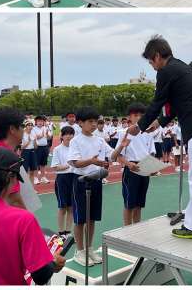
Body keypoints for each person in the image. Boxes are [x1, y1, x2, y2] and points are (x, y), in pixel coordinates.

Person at [127, 36, 192, 240]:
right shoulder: (182, 67)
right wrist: (159, 123)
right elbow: (174, 104)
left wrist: (139, 126)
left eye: (151, 62)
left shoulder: (165, 71)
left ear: (157, 56)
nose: (152, 66)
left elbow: (157, 102)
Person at [0, 147, 66, 285]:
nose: (16, 184)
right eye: (16, 179)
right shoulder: (22, 220)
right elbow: (41, 276)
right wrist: (53, 263)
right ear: (10, 177)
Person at [67, 107, 129, 266]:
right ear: (80, 123)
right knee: (80, 219)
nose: (94, 124)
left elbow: (112, 156)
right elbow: (75, 163)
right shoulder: (75, 141)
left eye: (96, 121)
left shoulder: (99, 140)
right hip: (81, 181)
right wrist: (92, 161)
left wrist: (121, 146)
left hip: (96, 180)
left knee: (92, 218)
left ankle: (89, 249)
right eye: (90, 121)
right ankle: (79, 251)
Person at [117, 103, 155, 225]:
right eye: (136, 115)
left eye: (141, 115)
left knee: (139, 204)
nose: (139, 117)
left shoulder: (148, 133)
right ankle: (127, 230)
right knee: (129, 204)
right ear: (129, 117)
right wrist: (128, 164)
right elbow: (118, 155)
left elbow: (151, 153)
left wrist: (152, 167)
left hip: (144, 168)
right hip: (131, 169)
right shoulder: (124, 133)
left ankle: (137, 229)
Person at [0, 107, 27, 209]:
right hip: (6, 215)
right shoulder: (8, 158)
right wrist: (29, 217)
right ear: (12, 129)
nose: (24, 130)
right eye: (22, 126)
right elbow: (14, 200)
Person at [51, 125, 75, 237]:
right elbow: (55, 167)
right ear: (62, 136)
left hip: (74, 178)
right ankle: (61, 232)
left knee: (71, 207)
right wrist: (69, 165)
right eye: (66, 134)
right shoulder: (57, 149)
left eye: (71, 134)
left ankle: (68, 232)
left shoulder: (75, 149)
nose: (69, 136)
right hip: (62, 179)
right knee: (62, 207)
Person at [33, 115, 51, 185]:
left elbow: (49, 138)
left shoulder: (45, 128)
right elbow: (34, 137)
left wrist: (47, 134)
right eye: (38, 121)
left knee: (43, 163)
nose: (40, 122)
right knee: (36, 163)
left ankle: (43, 177)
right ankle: (35, 178)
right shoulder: (34, 129)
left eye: (41, 121)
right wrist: (42, 135)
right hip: (37, 148)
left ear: (43, 122)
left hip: (45, 147)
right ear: (36, 122)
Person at [20, 120, 38, 185]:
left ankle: (32, 187)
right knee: (25, 171)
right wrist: (29, 141)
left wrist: (35, 140)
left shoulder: (33, 134)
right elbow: (21, 147)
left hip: (32, 151)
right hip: (25, 152)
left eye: (31, 125)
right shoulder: (22, 134)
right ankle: (26, 187)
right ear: (26, 126)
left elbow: (36, 147)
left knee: (32, 170)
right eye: (28, 125)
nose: (30, 126)